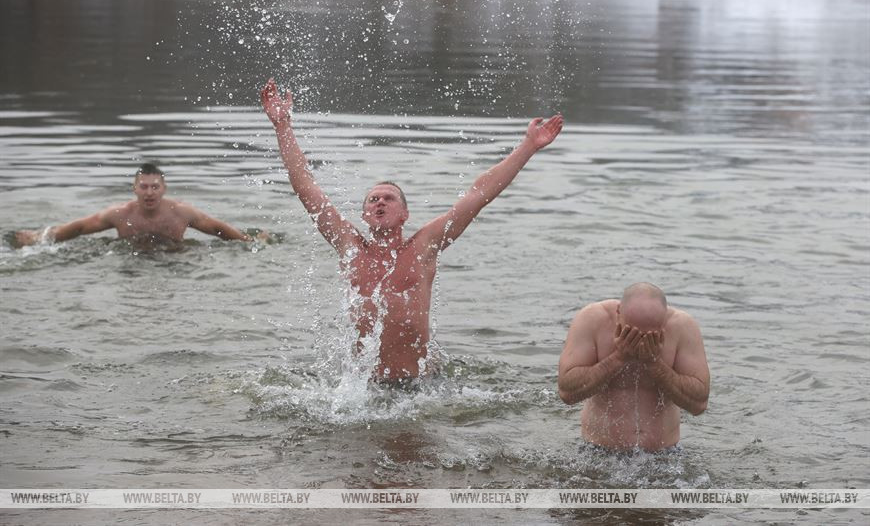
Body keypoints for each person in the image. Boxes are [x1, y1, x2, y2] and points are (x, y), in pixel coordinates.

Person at [261, 78, 563, 381]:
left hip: (417, 387)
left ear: (405, 214)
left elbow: (478, 195)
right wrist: (282, 126)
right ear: (364, 215)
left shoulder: (424, 247)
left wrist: (528, 147)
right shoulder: (349, 246)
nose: (380, 202)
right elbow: (305, 187)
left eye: (388, 198)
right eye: (373, 200)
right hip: (363, 388)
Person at [557, 282, 710, 451]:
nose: (640, 343)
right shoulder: (592, 319)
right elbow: (567, 392)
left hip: (664, 453)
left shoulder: (682, 326)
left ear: (664, 320)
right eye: (631, 333)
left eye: (650, 336)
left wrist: (654, 363)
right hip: (598, 450)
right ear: (618, 313)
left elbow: (699, 404)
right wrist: (618, 358)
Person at [15, 163, 254, 247]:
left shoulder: (182, 212)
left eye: (155, 187)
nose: (149, 192)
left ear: (164, 189)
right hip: (130, 260)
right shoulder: (120, 214)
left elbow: (217, 228)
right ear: (134, 189)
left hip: (175, 260)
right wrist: (40, 238)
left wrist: (248, 241)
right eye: (144, 187)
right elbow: (79, 227)